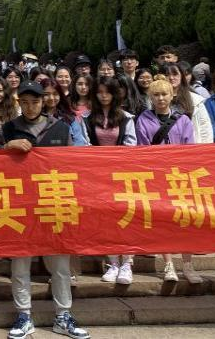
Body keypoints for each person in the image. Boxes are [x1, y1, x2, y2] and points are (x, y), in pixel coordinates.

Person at [0, 80, 90, 339]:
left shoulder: (60, 127)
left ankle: (63, 316)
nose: (30, 107)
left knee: (60, 265)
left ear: (43, 101)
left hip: (52, 203)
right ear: (19, 103)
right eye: (24, 102)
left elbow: (73, 164)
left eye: (35, 101)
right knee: (20, 265)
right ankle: (24, 315)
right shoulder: (9, 129)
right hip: (19, 206)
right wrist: (7, 148)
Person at [135, 76, 202, 284]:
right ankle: (169, 264)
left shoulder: (183, 120)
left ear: (172, 95)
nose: (161, 98)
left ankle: (188, 265)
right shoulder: (143, 119)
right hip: (156, 176)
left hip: (180, 176)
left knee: (185, 219)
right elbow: (142, 149)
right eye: (156, 95)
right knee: (163, 221)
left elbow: (189, 149)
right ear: (150, 97)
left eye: (164, 94)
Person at [82, 76, 137, 286]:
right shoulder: (87, 118)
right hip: (98, 177)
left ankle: (127, 263)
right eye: (100, 92)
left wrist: (112, 159)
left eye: (108, 92)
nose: (104, 96)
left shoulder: (126, 118)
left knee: (127, 217)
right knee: (107, 219)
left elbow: (131, 145)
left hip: (122, 174)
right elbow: (85, 146)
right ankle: (112, 262)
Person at [163, 63, 214, 144]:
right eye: (167, 75)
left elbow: (205, 127)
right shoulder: (156, 100)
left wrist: (205, 148)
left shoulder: (195, 100)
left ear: (181, 76)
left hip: (192, 146)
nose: (171, 78)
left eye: (175, 74)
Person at [39, 78, 87, 146]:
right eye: (46, 94)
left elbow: (79, 142)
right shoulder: (35, 118)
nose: (51, 98)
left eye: (55, 94)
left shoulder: (70, 118)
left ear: (60, 95)